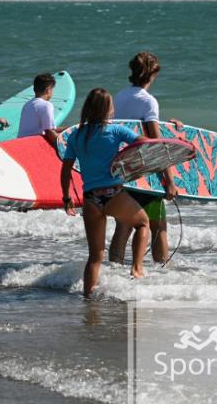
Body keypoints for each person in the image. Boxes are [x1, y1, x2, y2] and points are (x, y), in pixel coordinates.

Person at [60, 88, 150, 297]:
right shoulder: (116, 131)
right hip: (112, 193)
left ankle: (88, 299)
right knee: (143, 223)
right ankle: (137, 269)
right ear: (108, 109)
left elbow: (65, 172)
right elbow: (143, 143)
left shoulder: (76, 135)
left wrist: (67, 198)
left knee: (95, 257)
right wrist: (129, 162)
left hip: (90, 198)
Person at [108, 52, 181, 265]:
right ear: (153, 74)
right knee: (158, 226)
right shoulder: (148, 101)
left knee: (123, 224)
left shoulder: (119, 97)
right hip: (145, 172)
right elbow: (155, 144)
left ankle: (114, 271)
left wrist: (173, 128)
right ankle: (162, 272)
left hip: (122, 168)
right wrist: (169, 181)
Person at [17, 73, 64, 143]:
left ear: (34, 89)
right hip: (33, 145)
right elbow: (49, 132)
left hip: (20, 143)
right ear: (48, 90)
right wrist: (64, 146)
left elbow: (44, 129)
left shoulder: (27, 105)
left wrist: (66, 129)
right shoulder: (46, 105)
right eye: (52, 90)